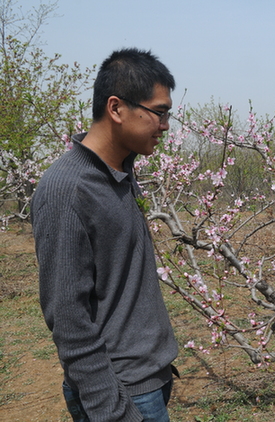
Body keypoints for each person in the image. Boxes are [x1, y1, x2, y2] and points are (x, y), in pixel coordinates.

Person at [31, 48, 179, 422]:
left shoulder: (120, 172)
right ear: (116, 108)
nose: (165, 126)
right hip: (121, 393)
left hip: (149, 379)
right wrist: (113, 412)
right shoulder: (67, 191)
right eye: (159, 113)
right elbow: (67, 316)